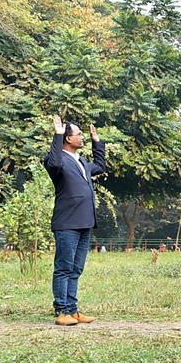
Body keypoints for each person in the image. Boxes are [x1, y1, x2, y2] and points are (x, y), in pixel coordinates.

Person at [43, 115, 106, 326]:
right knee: (64, 267)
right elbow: (54, 162)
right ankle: (62, 311)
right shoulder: (56, 160)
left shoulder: (82, 162)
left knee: (76, 268)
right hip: (67, 222)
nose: (82, 138)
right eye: (79, 134)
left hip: (84, 222)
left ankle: (73, 309)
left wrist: (97, 141)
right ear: (68, 139)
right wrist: (57, 136)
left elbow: (101, 165)